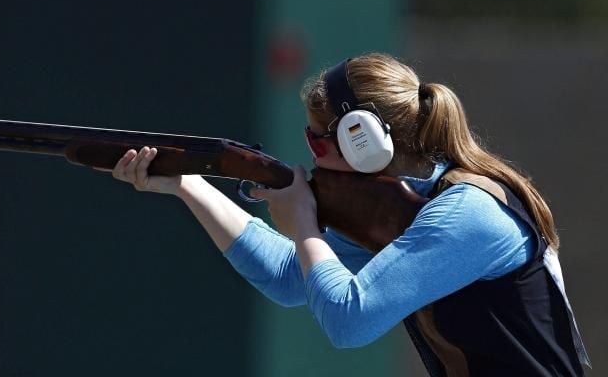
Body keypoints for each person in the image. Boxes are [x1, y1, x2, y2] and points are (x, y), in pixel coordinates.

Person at [110, 52, 590, 376]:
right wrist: (188, 185)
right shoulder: (417, 207)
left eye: (320, 140)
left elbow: (349, 320)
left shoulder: (468, 214)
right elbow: (287, 275)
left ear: (364, 142)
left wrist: (301, 221)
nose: (312, 152)